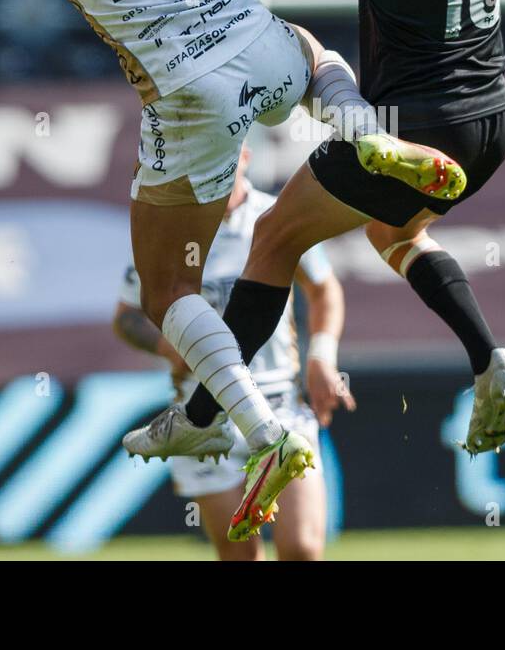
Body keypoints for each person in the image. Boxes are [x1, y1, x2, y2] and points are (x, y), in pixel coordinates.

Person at [0, 0, 456, 540]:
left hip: (182, 90)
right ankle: (360, 129)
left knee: (165, 293)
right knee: (318, 57)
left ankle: (254, 426)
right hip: (252, 38)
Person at [159, 0, 505, 467]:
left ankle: (205, 414)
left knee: (272, 239)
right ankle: (489, 357)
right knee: (396, 232)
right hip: (490, 123)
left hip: (413, 126)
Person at [114, 144, 349, 559]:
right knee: (239, 553)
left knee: (303, 548)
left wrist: (322, 356)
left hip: (279, 400)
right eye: (208, 156)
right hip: (201, 413)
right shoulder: (168, 230)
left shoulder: (278, 216)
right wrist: (165, 346)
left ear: (246, 157)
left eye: (227, 153)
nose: (217, 164)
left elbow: (324, 288)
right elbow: (127, 316)